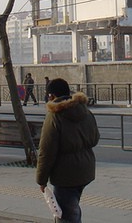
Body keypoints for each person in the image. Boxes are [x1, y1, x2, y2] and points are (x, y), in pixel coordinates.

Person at [36, 78, 100, 223]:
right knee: (72, 206)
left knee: (67, 215)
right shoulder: (85, 110)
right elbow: (95, 138)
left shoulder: (54, 116)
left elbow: (46, 151)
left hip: (65, 174)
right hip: (86, 170)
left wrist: (41, 179)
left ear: (51, 96)